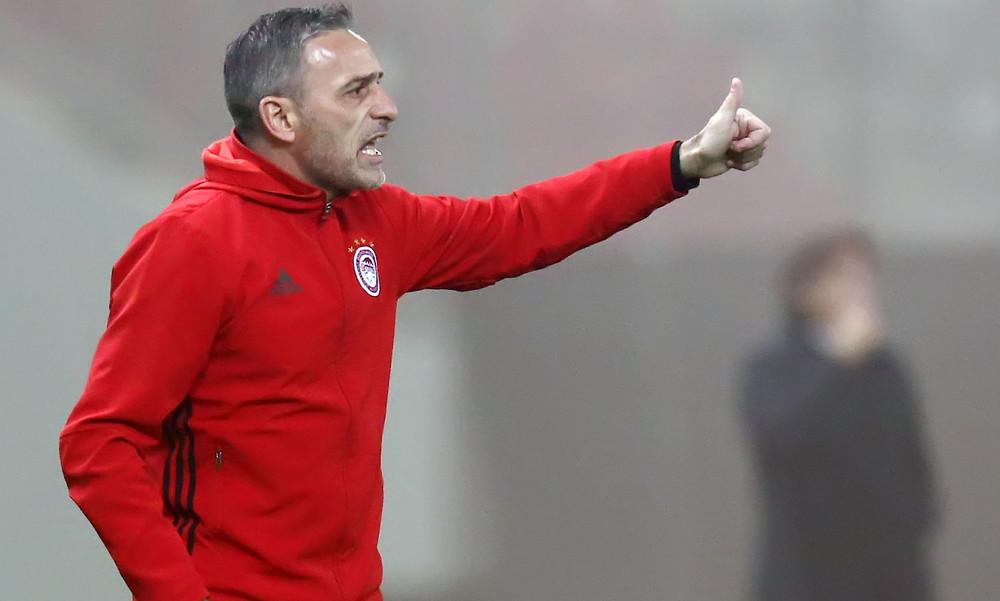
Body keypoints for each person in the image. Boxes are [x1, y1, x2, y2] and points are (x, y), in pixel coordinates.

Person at [59, 5, 771, 601]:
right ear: (280, 116)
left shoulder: (377, 220)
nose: (387, 108)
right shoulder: (195, 240)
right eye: (356, 92)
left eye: (381, 85)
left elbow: (522, 223)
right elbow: (100, 442)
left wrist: (681, 163)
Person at [739, 229, 938, 601]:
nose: (859, 290)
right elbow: (780, 435)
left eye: (865, 278)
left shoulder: (884, 367)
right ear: (805, 288)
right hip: (807, 570)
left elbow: (911, 456)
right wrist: (840, 363)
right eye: (844, 276)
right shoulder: (773, 366)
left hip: (889, 572)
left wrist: (915, 522)